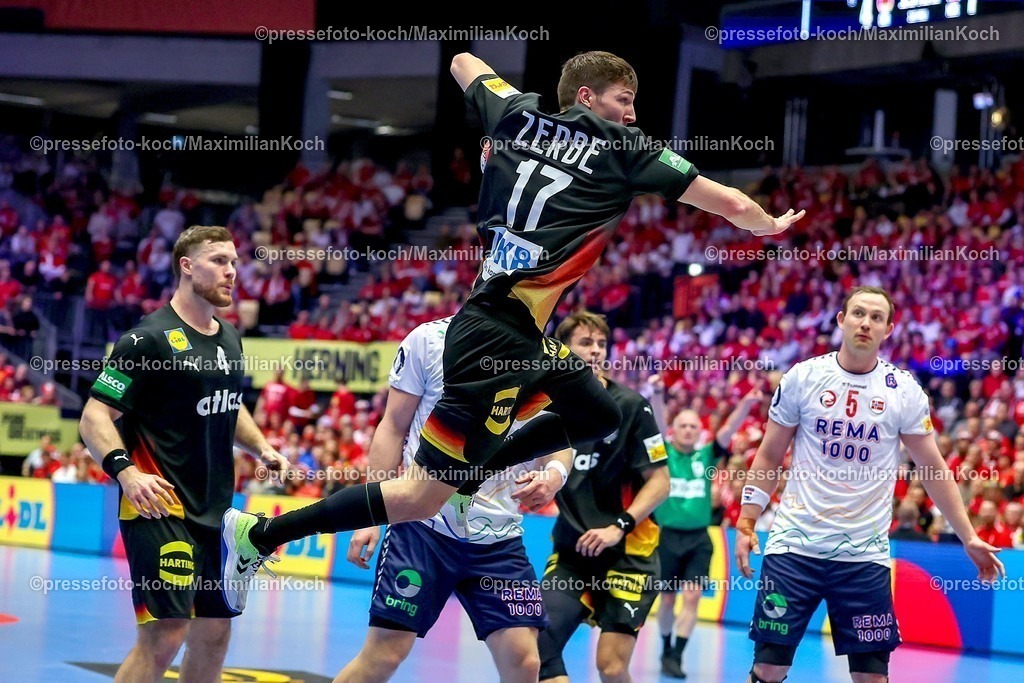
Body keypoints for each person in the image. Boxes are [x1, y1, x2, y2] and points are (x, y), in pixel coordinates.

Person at [222, 50, 804, 603]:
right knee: (422, 498)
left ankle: (477, 468)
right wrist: (768, 225)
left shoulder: (517, 115)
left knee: (599, 412)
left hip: (518, 331)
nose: (631, 113)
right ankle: (260, 535)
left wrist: (505, 105)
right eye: (623, 99)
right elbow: (727, 199)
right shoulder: (623, 146)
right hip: (495, 330)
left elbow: (461, 62)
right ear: (586, 96)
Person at [734, 286, 1005, 683]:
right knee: (769, 667)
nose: (866, 322)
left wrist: (968, 537)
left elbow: (932, 468)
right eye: (858, 313)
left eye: (876, 317)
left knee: (871, 677)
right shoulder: (804, 377)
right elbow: (770, 454)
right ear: (841, 321)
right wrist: (746, 520)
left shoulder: (903, 391)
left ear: (889, 329)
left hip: (864, 556)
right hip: (795, 546)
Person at [78, 226, 289, 683]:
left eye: (234, 262)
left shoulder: (230, 337)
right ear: (186, 266)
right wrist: (127, 474)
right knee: (166, 633)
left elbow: (230, 405)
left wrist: (262, 446)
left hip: (216, 512)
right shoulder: (146, 340)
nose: (231, 271)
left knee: (214, 634)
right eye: (218, 260)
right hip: (158, 507)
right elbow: (94, 417)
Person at [335, 316, 570, 683]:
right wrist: (371, 514)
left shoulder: (550, 358)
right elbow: (393, 426)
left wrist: (553, 476)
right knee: (384, 655)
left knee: (525, 662)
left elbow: (562, 440)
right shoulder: (429, 340)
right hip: (421, 528)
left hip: (499, 539)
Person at [535, 311, 670, 683]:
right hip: (573, 554)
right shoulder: (546, 407)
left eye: (601, 344)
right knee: (537, 648)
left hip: (628, 555)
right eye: (585, 343)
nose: (596, 350)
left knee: (610, 667)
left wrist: (619, 526)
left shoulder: (631, 406)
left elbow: (661, 482)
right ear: (561, 351)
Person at [656, 389, 764, 678]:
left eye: (694, 426)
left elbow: (728, 431)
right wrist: (657, 394)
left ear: (700, 431)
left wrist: (745, 403)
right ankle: (665, 646)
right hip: (666, 537)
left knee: (691, 598)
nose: (689, 430)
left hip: (698, 539)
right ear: (673, 430)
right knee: (667, 600)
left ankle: (677, 654)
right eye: (683, 425)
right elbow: (655, 422)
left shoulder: (706, 456)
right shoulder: (663, 454)